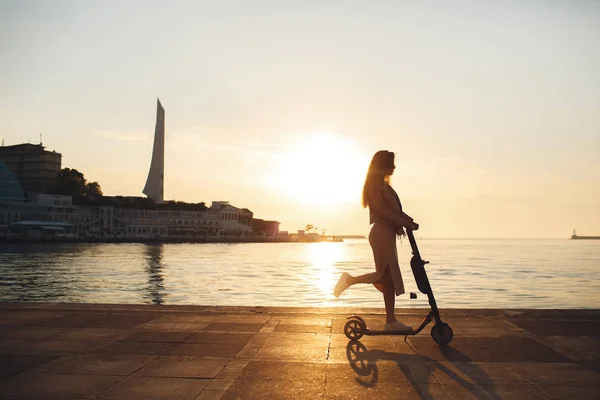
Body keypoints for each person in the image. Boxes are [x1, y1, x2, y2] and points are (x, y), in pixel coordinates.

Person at [333, 150, 418, 332]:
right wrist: (402, 223)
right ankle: (349, 280)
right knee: (386, 275)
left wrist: (410, 221)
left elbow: (395, 211)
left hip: (387, 233)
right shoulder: (374, 185)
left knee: (389, 278)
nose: (394, 167)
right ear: (382, 165)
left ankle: (391, 321)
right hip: (381, 232)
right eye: (391, 163)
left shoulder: (384, 185)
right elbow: (381, 210)